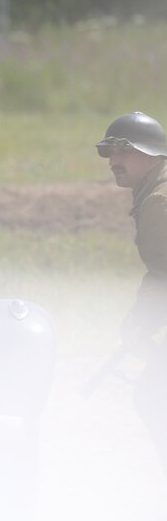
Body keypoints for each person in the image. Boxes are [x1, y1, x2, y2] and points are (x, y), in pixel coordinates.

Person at [96, 111, 167, 477]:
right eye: (110, 151)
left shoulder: (158, 202)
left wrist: (141, 322)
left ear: (152, 155)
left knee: (153, 396)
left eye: (124, 150)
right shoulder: (156, 192)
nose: (114, 160)